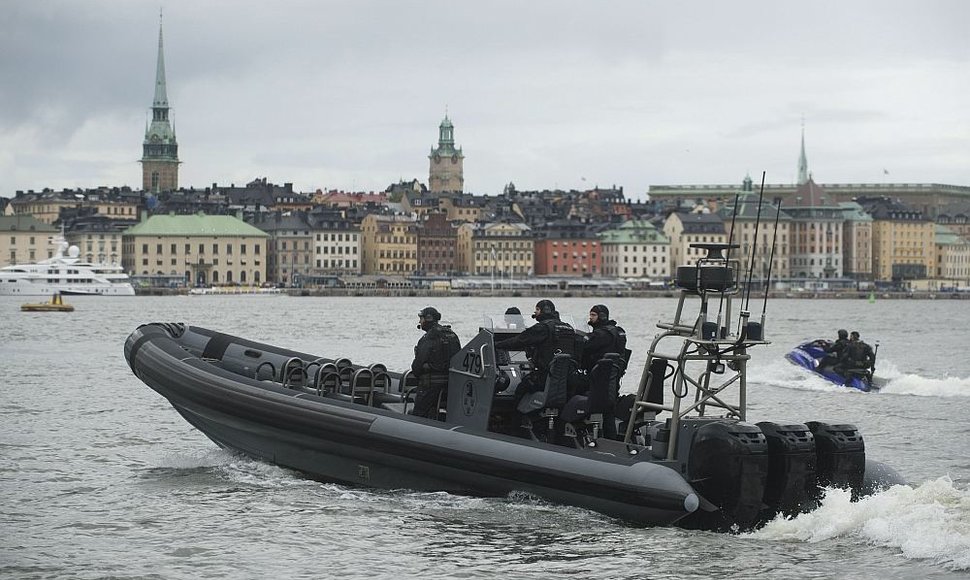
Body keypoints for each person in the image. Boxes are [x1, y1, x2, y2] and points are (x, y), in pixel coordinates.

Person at [494, 299, 578, 398]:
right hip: (567, 378)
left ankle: (516, 414)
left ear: (544, 311)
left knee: (520, 390)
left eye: (537, 309)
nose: (535, 312)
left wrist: (497, 344)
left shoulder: (542, 328)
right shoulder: (568, 328)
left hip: (545, 376)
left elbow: (519, 340)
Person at [410, 307, 462, 419]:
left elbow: (417, 367)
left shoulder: (429, 337)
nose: (420, 322)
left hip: (429, 386)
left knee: (419, 415)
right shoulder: (451, 335)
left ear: (428, 319)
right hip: (449, 385)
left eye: (421, 319)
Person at [581, 304, 627, 373]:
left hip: (597, 373)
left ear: (602, 316)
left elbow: (585, 348)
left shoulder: (600, 334)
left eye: (593, 315)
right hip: (614, 374)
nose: (590, 317)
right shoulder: (619, 331)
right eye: (590, 315)